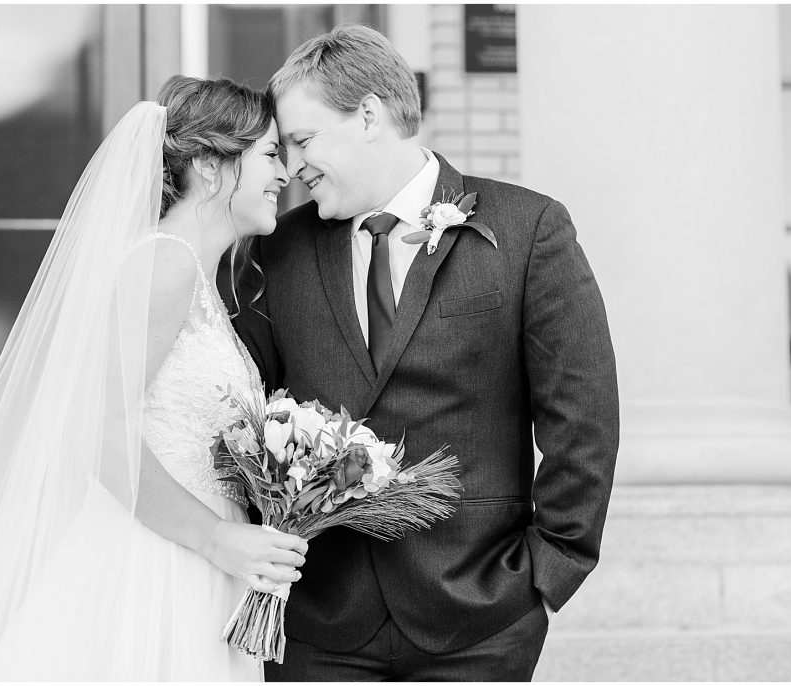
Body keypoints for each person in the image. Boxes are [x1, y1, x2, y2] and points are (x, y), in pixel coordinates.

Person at [0, 75, 305, 681]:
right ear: (210, 166)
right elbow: (99, 430)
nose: (285, 174)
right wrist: (217, 538)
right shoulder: (164, 263)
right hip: (158, 565)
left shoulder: (197, 276)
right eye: (270, 155)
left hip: (200, 563)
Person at [232, 24, 620, 681]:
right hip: (317, 625)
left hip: (480, 619)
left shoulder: (528, 230)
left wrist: (545, 572)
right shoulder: (279, 250)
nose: (292, 167)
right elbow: (246, 412)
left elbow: (582, 419)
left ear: (368, 116)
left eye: (302, 140)